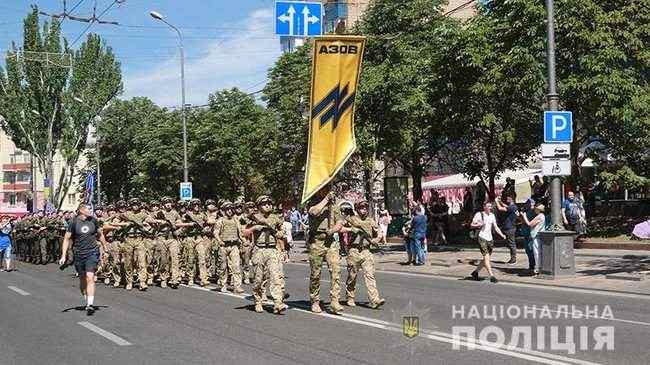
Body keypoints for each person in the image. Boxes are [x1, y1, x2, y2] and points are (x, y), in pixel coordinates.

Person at [58, 203, 109, 315]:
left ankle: (90, 304)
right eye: (88, 208)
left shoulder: (93, 221)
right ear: (81, 210)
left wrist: (105, 247)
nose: (91, 210)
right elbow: (66, 239)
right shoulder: (74, 222)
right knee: (82, 279)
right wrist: (63, 255)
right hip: (79, 253)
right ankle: (87, 298)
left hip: (92, 252)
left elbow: (100, 235)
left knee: (90, 277)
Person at [245, 196, 288, 314]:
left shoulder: (275, 218)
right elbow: (244, 233)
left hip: (273, 250)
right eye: (264, 204)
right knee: (258, 279)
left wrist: (280, 237)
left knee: (276, 277)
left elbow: (282, 233)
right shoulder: (253, 218)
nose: (268, 205)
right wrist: (254, 227)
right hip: (259, 250)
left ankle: (278, 303)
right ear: (259, 206)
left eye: (269, 203)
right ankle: (258, 301)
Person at [306, 187, 345, 314]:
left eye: (327, 187)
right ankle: (315, 300)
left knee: (335, 271)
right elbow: (314, 213)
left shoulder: (335, 204)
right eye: (323, 188)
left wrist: (333, 230)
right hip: (316, 241)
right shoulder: (312, 202)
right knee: (316, 273)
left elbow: (340, 222)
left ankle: (335, 302)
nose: (326, 190)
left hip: (330, 241)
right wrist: (326, 200)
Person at [342, 200, 386, 309]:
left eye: (366, 207)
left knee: (370, 275)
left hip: (366, 251)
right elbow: (339, 227)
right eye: (362, 207)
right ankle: (350, 297)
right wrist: (351, 229)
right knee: (352, 276)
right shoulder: (351, 219)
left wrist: (376, 239)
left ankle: (374, 300)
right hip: (354, 251)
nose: (364, 209)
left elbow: (379, 231)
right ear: (357, 209)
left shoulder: (370, 221)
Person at [469, 202, 506, 283]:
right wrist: (478, 224)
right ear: (484, 207)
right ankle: (491, 276)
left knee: (486, 258)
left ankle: (475, 272)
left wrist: (502, 234)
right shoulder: (479, 214)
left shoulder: (492, 215)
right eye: (488, 206)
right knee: (486, 257)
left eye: (491, 206)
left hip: (490, 239)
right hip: (482, 237)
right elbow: (471, 225)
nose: (490, 207)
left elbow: (495, 227)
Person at [213, 201, 245, 293]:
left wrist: (244, 241)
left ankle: (237, 286)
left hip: (234, 245)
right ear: (224, 210)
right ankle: (223, 284)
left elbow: (240, 234)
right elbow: (215, 232)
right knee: (223, 267)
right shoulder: (220, 220)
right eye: (228, 209)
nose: (230, 211)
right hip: (223, 246)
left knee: (236, 266)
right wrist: (219, 241)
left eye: (231, 209)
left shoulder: (236, 220)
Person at [520, 204, 545, 276]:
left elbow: (529, 224)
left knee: (537, 252)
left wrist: (524, 216)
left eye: (535, 209)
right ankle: (538, 268)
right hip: (539, 236)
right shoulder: (542, 216)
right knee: (538, 252)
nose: (534, 210)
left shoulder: (539, 216)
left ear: (538, 210)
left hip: (536, 236)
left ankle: (537, 269)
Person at [495, 195, 518, 264]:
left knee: (511, 244)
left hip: (510, 228)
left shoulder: (512, 207)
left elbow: (500, 208)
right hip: (510, 227)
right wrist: (500, 202)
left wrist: (496, 201)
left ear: (512, 199)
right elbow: (505, 206)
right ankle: (512, 258)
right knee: (511, 243)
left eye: (509, 197)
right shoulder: (513, 207)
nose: (507, 198)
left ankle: (513, 259)